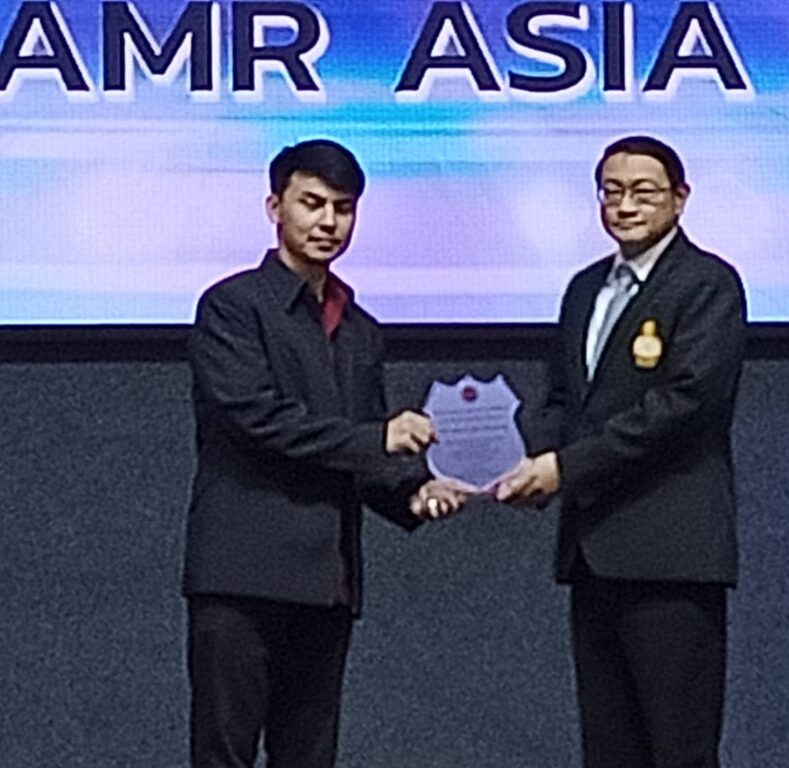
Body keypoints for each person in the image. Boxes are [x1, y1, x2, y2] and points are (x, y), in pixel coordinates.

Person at [183, 139, 464, 768]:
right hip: (243, 574)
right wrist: (379, 440)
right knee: (224, 753)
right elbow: (257, 419)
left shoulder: (359, 328)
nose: (328, 221)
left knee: (310, 757)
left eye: (343, 207)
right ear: (274, 207)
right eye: (311, 203)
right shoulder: (232, 306)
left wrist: (414, 491)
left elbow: (359, 446)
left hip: (326, 581)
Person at [498, 135, 746, 768]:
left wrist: (565, 469)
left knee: (678, 750)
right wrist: (533, 457)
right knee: (609, 750)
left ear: (680, 199)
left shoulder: (707, 284)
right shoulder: (586, 288)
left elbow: (683, 406)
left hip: (671, 556)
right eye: (612, 192)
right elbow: (562, 398)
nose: (625, 206)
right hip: (593, 551)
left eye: (643, 192)